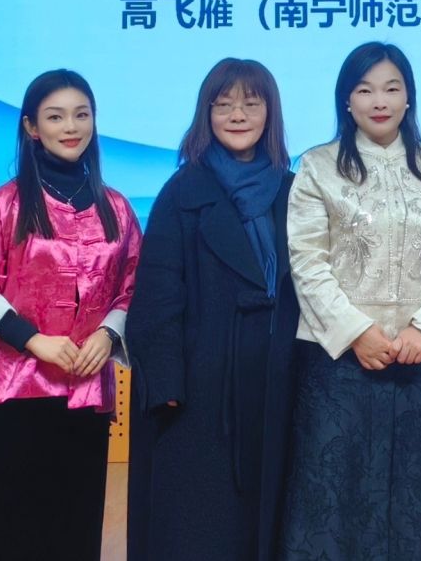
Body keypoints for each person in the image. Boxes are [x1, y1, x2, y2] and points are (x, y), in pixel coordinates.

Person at [280, 42, 421, 561]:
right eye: (365, 90)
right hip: (337, 364)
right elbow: (307, 260)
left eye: (392, 88)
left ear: (409, 97)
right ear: (347, 100)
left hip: (419, 360)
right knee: (336, 509)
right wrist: (356, 332)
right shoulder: (318, 167)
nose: (379, 101)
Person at [0, 69, 141, 561]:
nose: (70, 127)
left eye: (81, 115)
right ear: (32, 127)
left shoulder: (117, 208)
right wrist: (34, 341)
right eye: (55, 117)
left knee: (76, 522)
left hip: (87, 387)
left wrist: (108, 334)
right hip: (19, 386)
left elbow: (133, 284)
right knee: (14, 526)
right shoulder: (5, 205)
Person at [127, 59, 301, 561]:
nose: (237, 115)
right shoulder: (182, 191)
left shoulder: (294, 191)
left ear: (270, 112)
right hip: (202, 391)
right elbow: (157, 293)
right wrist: (166, 383)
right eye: (223, 104)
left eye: (251, 103)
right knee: (202, 527)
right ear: (206, 114)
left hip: (280, 382)